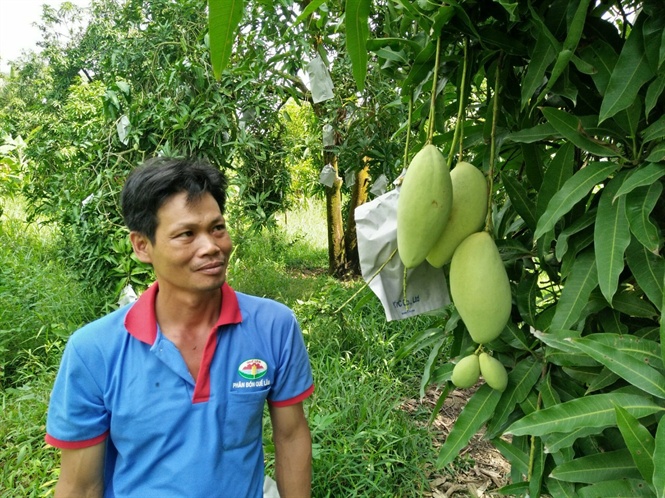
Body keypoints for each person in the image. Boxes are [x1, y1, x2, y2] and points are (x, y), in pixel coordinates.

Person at [44, 157, 315, 498]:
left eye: (217, 228)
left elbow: (291, 437)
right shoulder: (94, 351)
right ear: (142, 246)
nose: (211, 247)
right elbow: (80, 486)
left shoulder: (273, 326)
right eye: (187, 234)